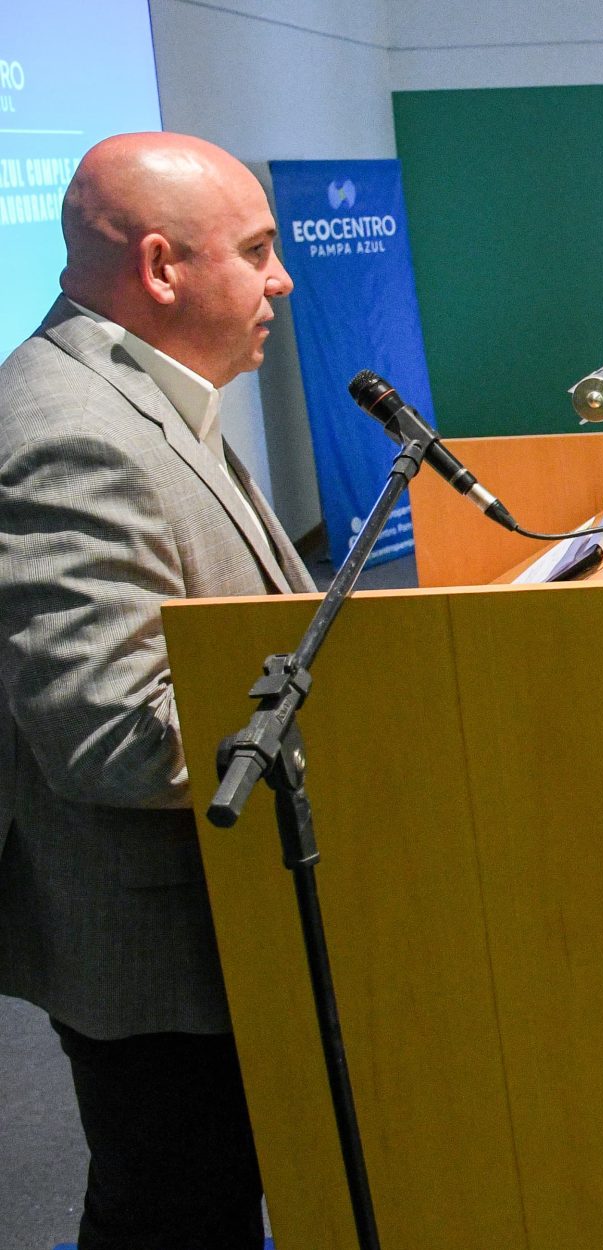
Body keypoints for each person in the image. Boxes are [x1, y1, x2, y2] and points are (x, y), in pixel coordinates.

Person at [0, 132, 313, 1247]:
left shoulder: (145, 387)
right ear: (162, 268)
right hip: (164, 959)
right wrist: (381, 733)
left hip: (228, 920)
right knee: (173, 1210)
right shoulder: (67, 433)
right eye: (259, 250)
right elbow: (114, 733)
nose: (282, 277)